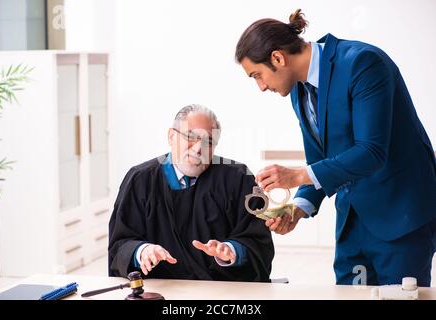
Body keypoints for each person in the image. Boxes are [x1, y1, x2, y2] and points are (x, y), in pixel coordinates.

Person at [235, 9, 436, 286]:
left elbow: (371, 152)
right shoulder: (298, 88)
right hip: (352, 224)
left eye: (257, 75)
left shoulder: (363, 63)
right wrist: (299, 208)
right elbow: (319, 157)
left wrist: (296, 176)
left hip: (399, 218)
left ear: (278, 58)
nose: (260, 86)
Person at [108, 104, 274, 282]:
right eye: (190, 137)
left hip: (221, 292)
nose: (198, 148)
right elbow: (120, 244)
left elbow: (258, 241)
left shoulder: (238, 178)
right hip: (161, 290)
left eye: (208, 142)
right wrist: (142, 251)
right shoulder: (139, 180)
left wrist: (230, 250)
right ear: (171, 136)